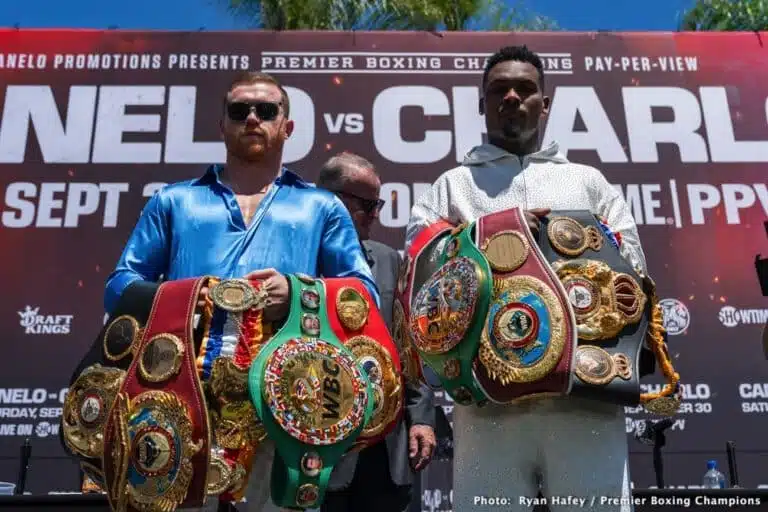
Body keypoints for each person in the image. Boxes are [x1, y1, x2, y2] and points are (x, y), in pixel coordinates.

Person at [104, 72, 379, 512]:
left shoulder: (320, 206)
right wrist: (189, 300)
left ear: (287, 127)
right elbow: (120, 286)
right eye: (239, 110)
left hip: (289, 400)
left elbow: (363, 295)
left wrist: (297, 293)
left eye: (266, 110)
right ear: (222, 126)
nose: (252, 118)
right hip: (182, 397)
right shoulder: (173, 201)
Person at [405, 45, 646, 512]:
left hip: (584, 398)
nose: (512, 97)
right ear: (482, 103)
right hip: (488, 404)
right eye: (499, 89)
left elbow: (632, 268)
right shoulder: (453, 185)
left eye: (525, 89)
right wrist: (503, 230)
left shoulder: (587, 181)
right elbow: (422, 266)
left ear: (546, 103)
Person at [317, 152, 438, 512]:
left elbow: (410, 346)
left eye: (378, 204)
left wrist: (422, 420)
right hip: (316, 450)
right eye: (366, 205)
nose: (375, 215)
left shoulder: (389, 260)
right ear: (329, 201)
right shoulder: (294, 259)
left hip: (386, 454)